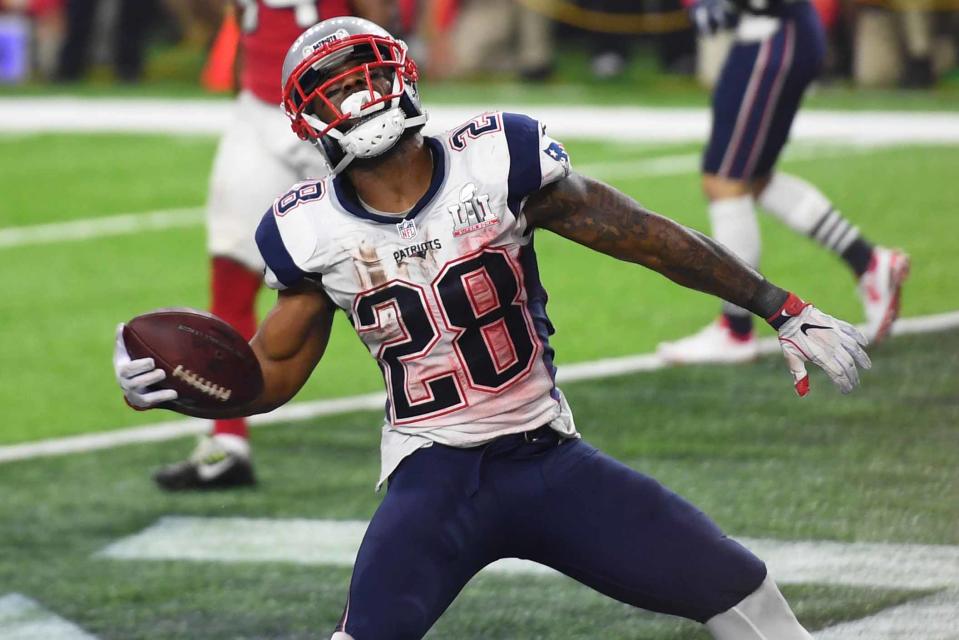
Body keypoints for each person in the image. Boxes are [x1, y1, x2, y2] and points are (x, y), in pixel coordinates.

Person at [115, 17, 871, 638]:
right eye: (336, 92)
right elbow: (270, 374)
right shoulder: (307, 229)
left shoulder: (496, 160)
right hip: (433, 477)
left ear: (401, 75)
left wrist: (778, 304)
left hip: (548, 460)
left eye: (367, 76)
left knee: (747, 594)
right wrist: (178, 390)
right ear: (309, 121)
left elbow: (644, 235)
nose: (360, 99)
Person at [152, 0, 388, 491]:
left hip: (338, 104)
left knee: (392, 265)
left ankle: (446, 409)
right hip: (261, 107)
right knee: (231, 272)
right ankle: (226, 441)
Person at [658, 0, 909, 364]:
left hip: (772, 33)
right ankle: (868, 262)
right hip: (772, 33)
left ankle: (735, 327)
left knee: (726, 183)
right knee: (753, 179)